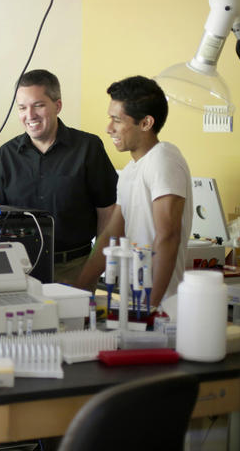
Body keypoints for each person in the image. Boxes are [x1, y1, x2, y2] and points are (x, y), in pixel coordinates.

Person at [0, 69, 118, 283]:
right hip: (19, 270)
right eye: (22, 107)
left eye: (38, 105)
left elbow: (108, 211)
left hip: (74, 268)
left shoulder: (88, 148)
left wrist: (94, 268)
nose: (29, 115)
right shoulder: (6, 154)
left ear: (57, 106)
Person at [74, 75, 192, 308]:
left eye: (117, 120)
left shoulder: (163, 159)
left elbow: (168, 236)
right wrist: (79, 290)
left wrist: (151, 306)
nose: (109, 128)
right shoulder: (130, 171)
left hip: (163, 305)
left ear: (146, 123)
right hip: (135, 301)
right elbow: (111, 236)